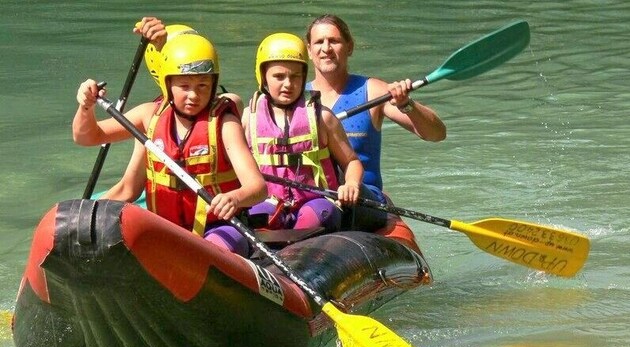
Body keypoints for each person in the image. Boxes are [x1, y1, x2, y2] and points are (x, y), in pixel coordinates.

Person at [72, 28, 267, 257]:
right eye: (184, 86)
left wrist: (235, 198)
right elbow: (87, 137)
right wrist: (86, 107)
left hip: (220, 228)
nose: (193, 95)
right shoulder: (149, 117)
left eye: (202, 85)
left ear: (213, 85)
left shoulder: (225, 124)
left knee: (207, 251)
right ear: (168, 85)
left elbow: (258, 188)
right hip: (167, 228)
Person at [305, 14, 447, 203]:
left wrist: (406, 104)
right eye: (319, 42)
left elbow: (437, 134)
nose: (326, 49)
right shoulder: (296, 97)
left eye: (334, 41)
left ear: (350, 47)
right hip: (311, 198)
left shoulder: (373, 91)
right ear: (309, 50)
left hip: (363, 199)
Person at [242, 33, 363, 232]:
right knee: (257, 216)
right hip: (270, 201)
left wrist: (350, 184)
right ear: (263, 77)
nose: (288, 84)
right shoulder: (248, 118)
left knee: (315, 217)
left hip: (316, 201)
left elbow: (351, 161)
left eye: (295, 76)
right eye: (279, 77)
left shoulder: (323, 117)